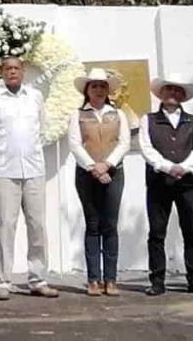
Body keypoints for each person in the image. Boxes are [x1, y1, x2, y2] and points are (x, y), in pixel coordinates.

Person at [0, 57, 60, 301]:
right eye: (8, 69)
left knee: (37, 225)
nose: (13, 72)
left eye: (16, 68)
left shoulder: (34, 96)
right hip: (4, 170)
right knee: (4, 226)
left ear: (23, 71)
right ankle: (2, 280)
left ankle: (38, 279)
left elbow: (42, 129)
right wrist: (3, 155)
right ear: (1, 72)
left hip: (34, 169)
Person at [139, 72, 193, 296]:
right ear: (161, 93)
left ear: (182, 96)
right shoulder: (148, 119)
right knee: (157, 232)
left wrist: (185, 167)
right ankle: (157, 280)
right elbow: (147, 148)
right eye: (169, 89)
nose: (173, 93)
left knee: (191, 231)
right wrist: (168, 167)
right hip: (159, 183)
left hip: (187, 183)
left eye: (177, 90)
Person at [66, 68, 130, 297]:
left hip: (114, 173)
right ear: (87, 90)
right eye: (94, 86)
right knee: (93, 225)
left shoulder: (118, 114)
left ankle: (111, 279)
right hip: (87, 175)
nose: (99, 90)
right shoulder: (78, 115)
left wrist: (108, 165)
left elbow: (124, 143)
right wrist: (94, 167)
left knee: (110, 226)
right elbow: (75, 144)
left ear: (108, 90)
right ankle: (93, 279)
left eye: (103, 86)